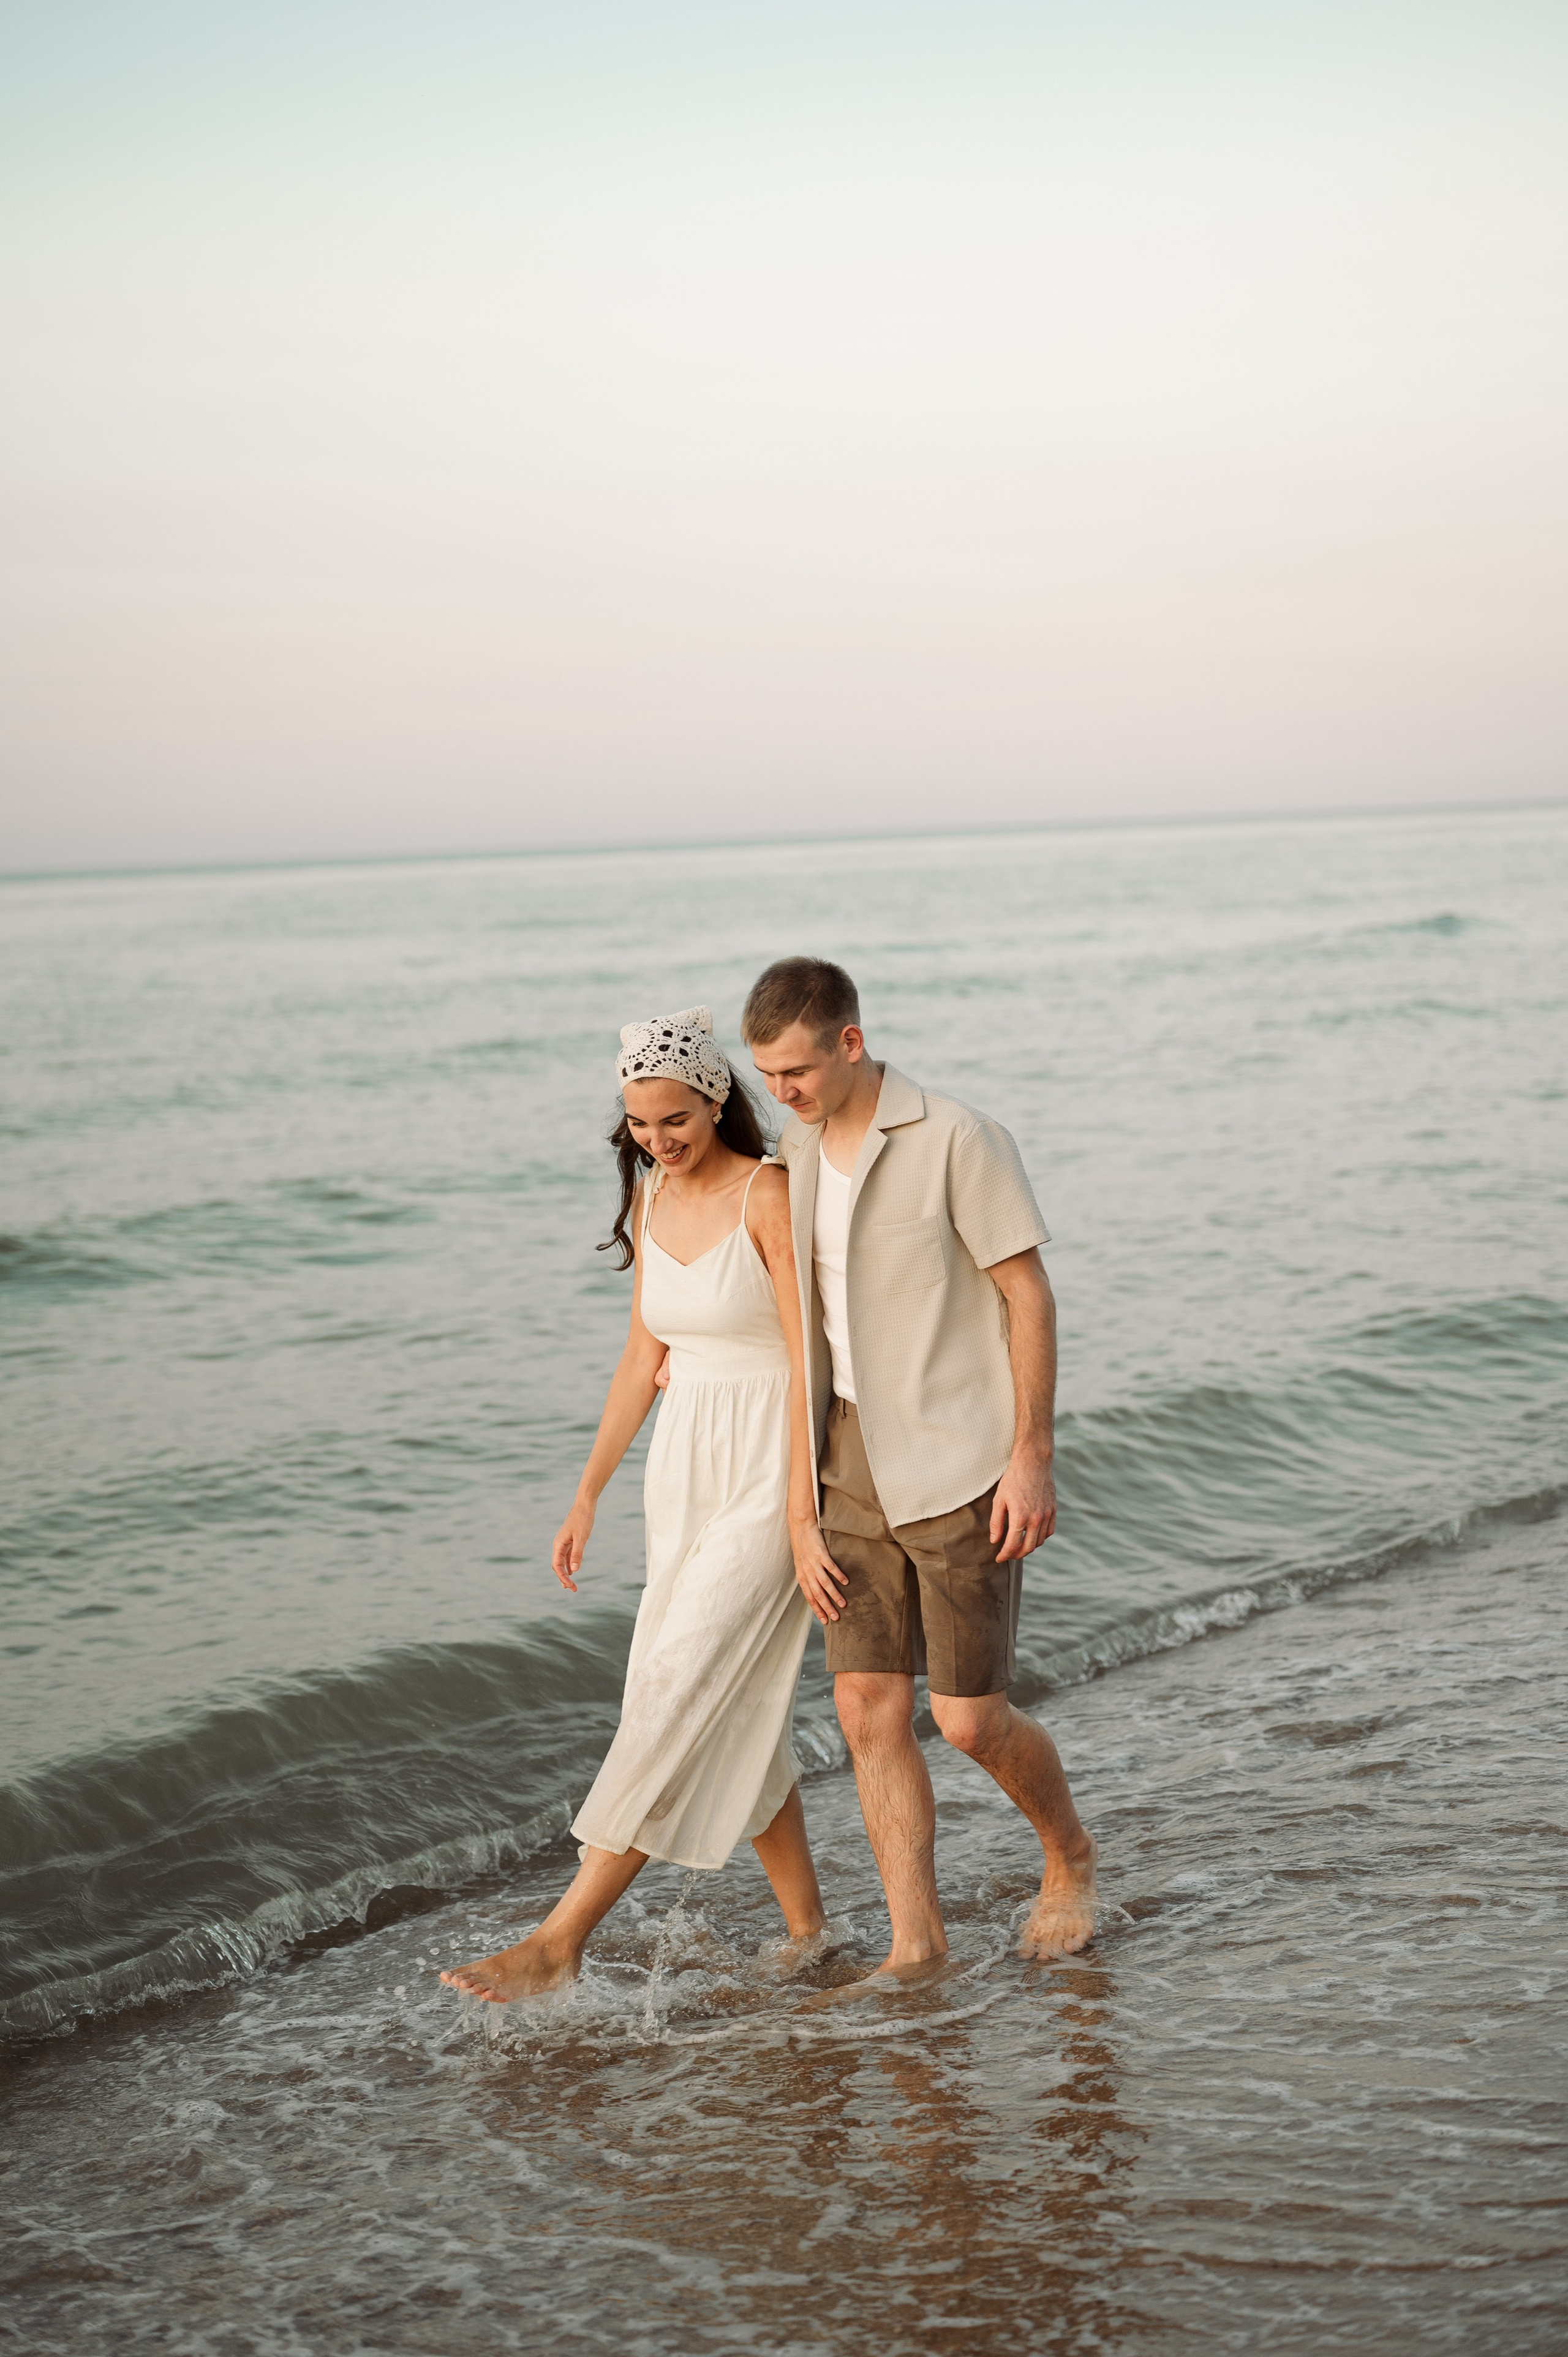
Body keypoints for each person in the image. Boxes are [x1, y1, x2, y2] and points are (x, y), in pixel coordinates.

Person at [442, 1008, 824, 2002]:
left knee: (677, 1692)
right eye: (640, 1126)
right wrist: (586, 1492)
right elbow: (641, 1360)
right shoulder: (653, 1197)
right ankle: (810, 1931)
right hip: (684, 1470)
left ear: (715, 1099)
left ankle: (559, 1939)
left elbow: (812, 1363)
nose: (658, 1139)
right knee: (723, 1699)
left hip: (771, 1466)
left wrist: (802, 1511)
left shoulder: (769, 1195)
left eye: (675, 1120)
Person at [742, 957, 1098, 1981]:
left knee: (969, 1718)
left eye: (798, 1071)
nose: (784, 1093)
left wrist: (1031, 1454)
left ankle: (1069, 1855)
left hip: (957, 1455)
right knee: (867, 1710)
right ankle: (915, 1945)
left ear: (851, 1044)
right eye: (768, 1076)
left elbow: (1029, 1297)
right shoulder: (794, 1149)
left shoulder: (959, 1139)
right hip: (841, 1458)